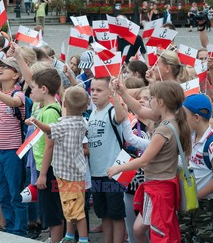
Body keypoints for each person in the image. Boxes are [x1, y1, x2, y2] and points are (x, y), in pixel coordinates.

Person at [108, 80, 191, 242]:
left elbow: (144, 160)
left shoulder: (164, 129)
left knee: (160, 233)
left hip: (160, 189)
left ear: (160, 102)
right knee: (140, 230)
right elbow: (138, 109)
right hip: (157, 186)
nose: (149, 100)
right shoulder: (169, 119)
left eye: (151, 98)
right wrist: (123, 92)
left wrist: (118, 169)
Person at [27, 87, 90, 243]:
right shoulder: (82, 121)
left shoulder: (64, 125)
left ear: (65, 106)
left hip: (66, 174)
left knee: (77, 211)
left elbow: (49, 129)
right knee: (70, 206)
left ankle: (83, 239)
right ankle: (69, 236)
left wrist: (35, 121)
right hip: (76, 172)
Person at [178, 94, 213, 242]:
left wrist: (196, 196)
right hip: (189, 200)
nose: (182, 119)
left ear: (196, 117)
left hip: (206, 205)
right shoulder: (192, 136)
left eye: (185, 115)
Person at [87, 77, 127, 243]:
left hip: (113, 172)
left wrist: (116, 94)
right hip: (96, 172)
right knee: (103, 214)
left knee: (116, 214)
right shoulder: (93, 112)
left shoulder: (111, 111)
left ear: (109, 92)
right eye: (92, 90)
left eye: (99, 90)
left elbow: (120, 116)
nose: (94, 93)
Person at [0, 57, 28, 237]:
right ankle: (9, 227)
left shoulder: (17, 94)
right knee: (2, 194)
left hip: (13, 151)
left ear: (16, 74)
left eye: (5, 67)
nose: (0, 68)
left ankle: (19, 231)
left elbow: (14, 104)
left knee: (15, 193)